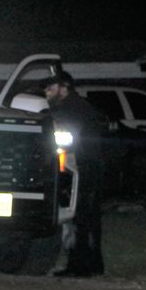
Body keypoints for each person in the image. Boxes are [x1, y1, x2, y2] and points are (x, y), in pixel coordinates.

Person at [43, 70, 108, 277]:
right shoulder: (80, 106)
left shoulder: (70, 108)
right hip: (90, 165)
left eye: (51, 89)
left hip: (82, 166)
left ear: (64, 88)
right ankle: (94, 264)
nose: (47, 94)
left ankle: (79, 266)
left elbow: (66, 136)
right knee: (90, 217)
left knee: (80, 217)